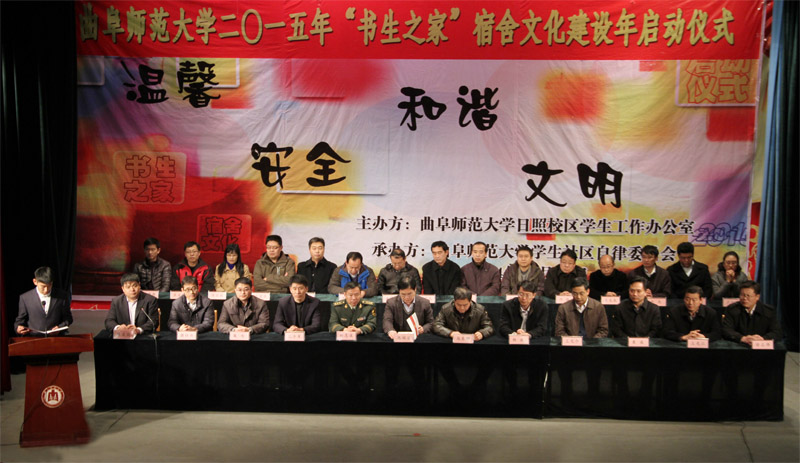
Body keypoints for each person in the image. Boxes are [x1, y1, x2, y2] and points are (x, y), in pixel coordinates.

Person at [15, 266, 72, 335]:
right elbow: (20, 321)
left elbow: (68, 318)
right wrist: (18, 328)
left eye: (49, 285)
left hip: (55, 337)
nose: (46, 290)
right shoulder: (25, 298)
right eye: (43, 286)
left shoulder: (62, 296)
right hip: (34, 338)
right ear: (35, 281)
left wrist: (59, 327)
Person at [722, 281, 782, 345]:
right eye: (742, 295)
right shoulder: (732, 309)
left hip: (761, 345)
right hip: (738, 345)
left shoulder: (768, 311)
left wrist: (762, 339)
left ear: (757, 297)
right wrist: (742, 338)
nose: (744, 298)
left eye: (748, 296)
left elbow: (776, 332)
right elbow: (726, 330)